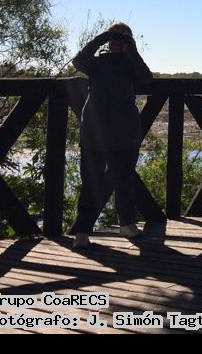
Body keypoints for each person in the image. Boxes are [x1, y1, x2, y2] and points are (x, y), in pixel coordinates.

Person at [71, 23, 153, 248]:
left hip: (99, 132)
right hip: (117, 131)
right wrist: (110, 40)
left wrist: (117, 43)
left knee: (100, 182)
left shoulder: (114, 63)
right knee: (117, 181)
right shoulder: (107, 63)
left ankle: (85, 233)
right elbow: (78, 61)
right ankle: (120, 226)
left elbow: (146, 77)